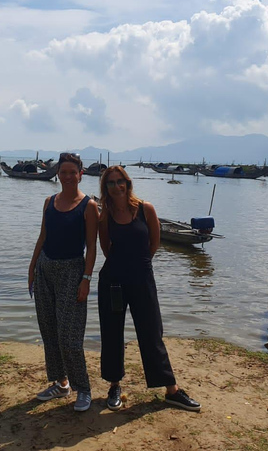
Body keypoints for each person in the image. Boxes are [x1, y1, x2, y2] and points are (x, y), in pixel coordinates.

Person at [97, 165, 201, 412]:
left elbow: (154, 242)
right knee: (112, 334)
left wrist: (139, 265)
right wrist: (122, 268)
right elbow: (105, 248)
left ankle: (171, 390)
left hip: (142, 278)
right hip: (113, 280)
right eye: (110, 183)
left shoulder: (146, 209)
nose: (116, 186)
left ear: (127, 183)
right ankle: (114, 386)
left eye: (120, 181)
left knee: (151, 332)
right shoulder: (105, 215)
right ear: (105, 187)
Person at [28, 152, 99, 412]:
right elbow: (42, 237)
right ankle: (61, 383)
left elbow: (91, 247)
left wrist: (86, 279)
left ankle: (84, 389)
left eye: (72, 172)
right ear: (58, 174)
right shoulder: (49, 202)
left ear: (81, 175)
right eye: (63, 172)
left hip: (72, 271)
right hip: (45, 268)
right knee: (49, 330)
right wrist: (32, 268)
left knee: (70, 336)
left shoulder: (89, 206)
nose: (67, 176)